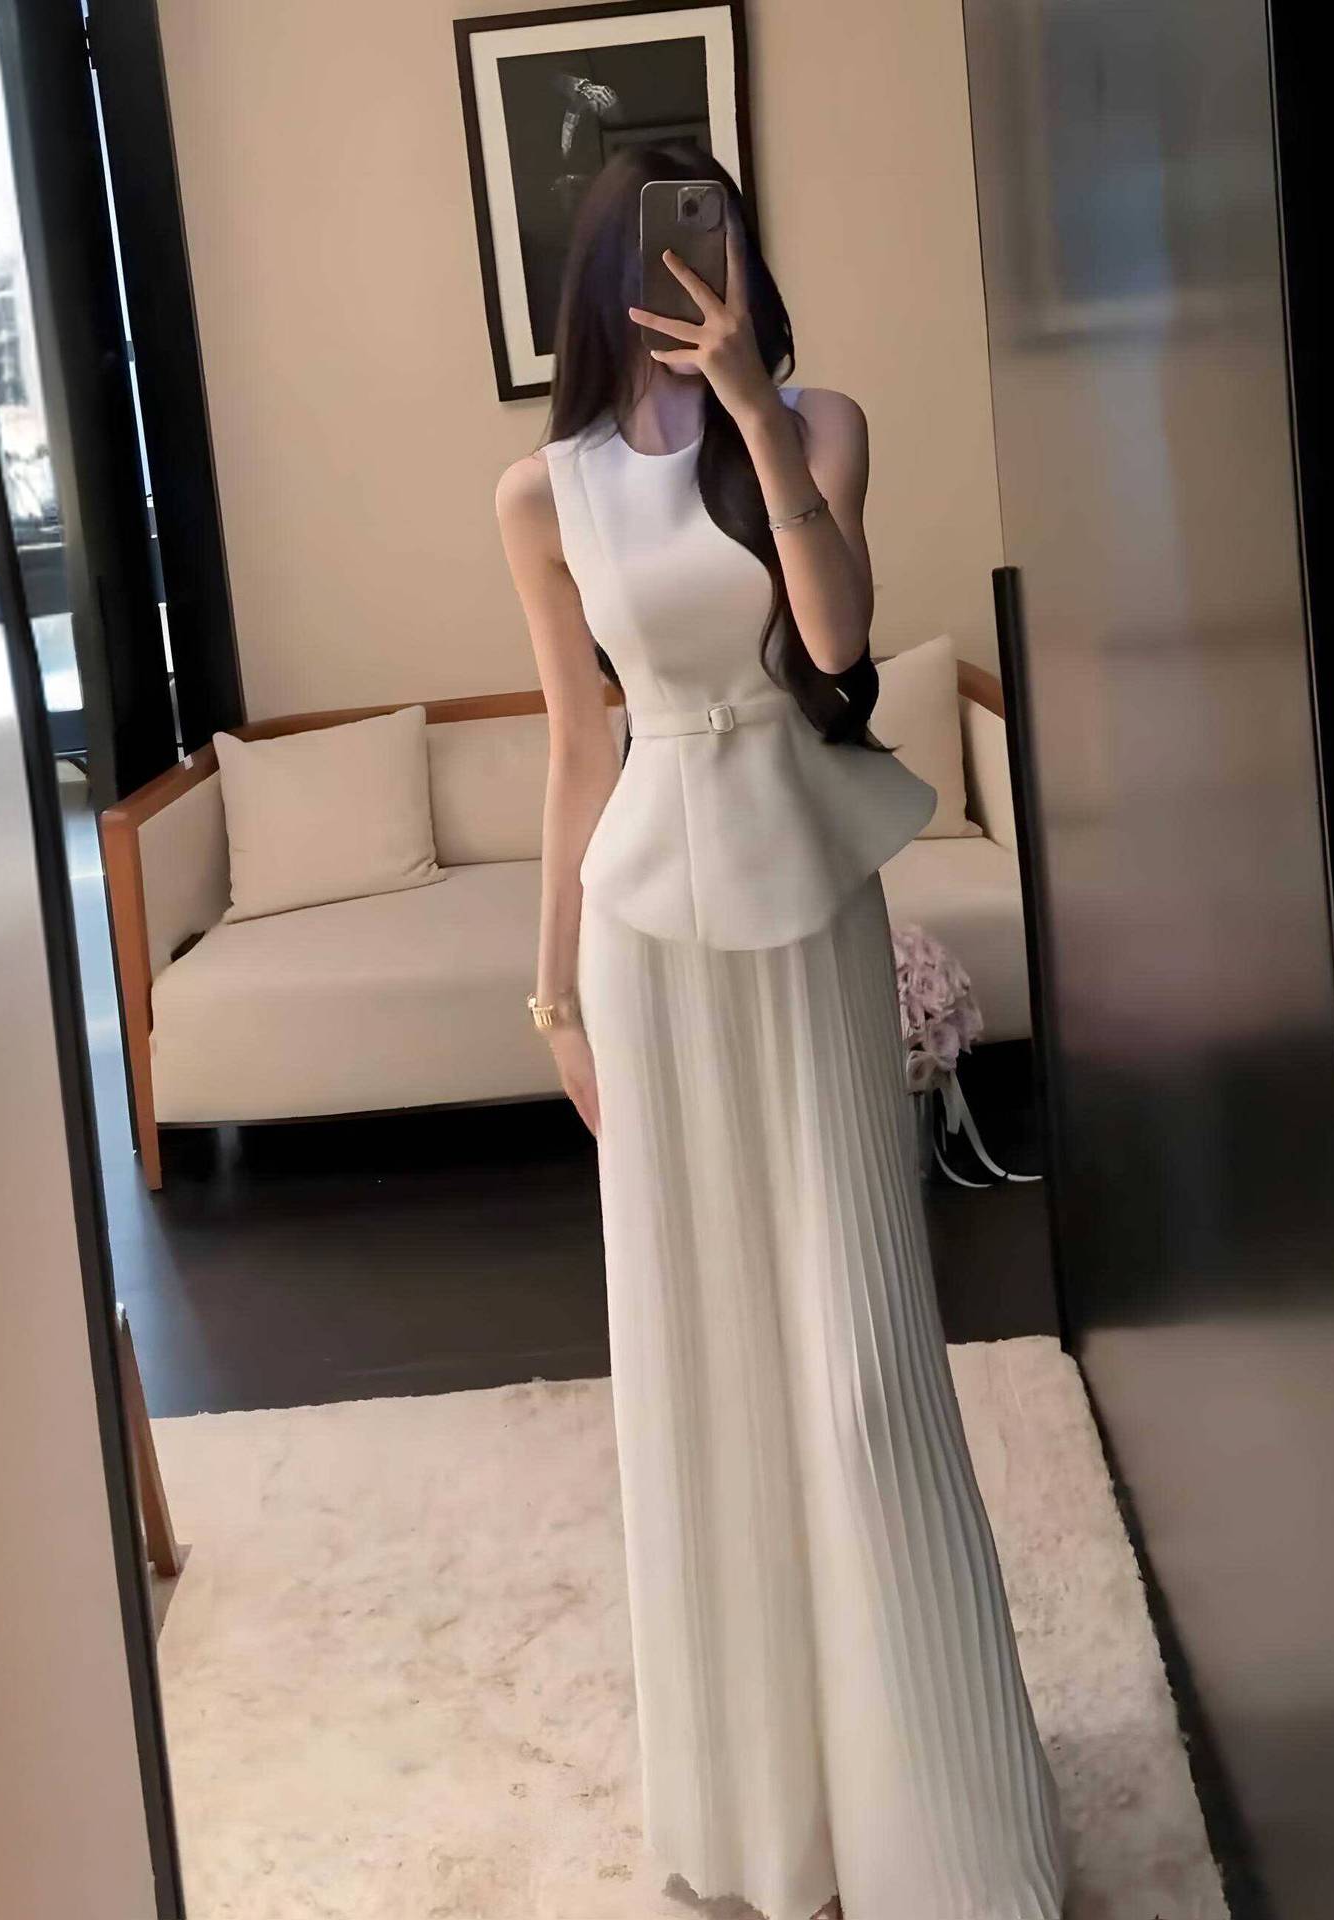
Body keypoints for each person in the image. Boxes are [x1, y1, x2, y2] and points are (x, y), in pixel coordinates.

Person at [495, 144, 1066, 1920]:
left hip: (810, 898)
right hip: (643, 932)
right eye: (671, 244)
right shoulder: (544, 491)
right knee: (700, 1353)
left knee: (859, 1349)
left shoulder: (819, 424)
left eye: (724, 237)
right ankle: (764, 1830)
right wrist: (551, 993)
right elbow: (575, 749)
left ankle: (934, 1831)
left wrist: (752, 406)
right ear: (607, 275)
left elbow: (838, 642)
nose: (700, 266)